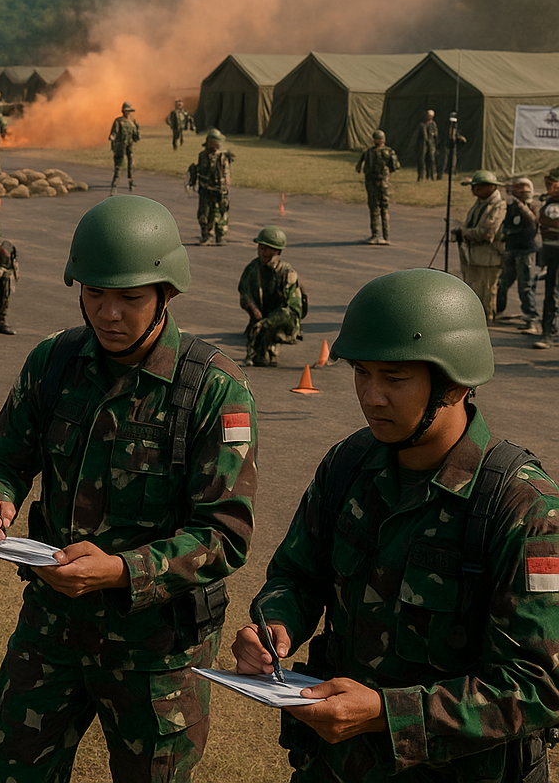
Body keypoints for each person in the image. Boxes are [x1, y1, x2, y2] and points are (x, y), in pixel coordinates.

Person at [0, 195, 258, 782]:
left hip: (158, 653)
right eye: (95, 293)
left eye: (129, 298)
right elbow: (4, 455)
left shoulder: (214, 391)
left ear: (166, 294)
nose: (109, 313)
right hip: (52, 631)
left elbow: (223, 536)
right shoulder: (54, 361)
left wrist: (122, 571)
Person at [231, 267, 559, 782]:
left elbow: (539, 685)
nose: (371, 395)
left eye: (394, 378)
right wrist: (278, 624)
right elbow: (298, 574)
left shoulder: (522, 507)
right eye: (362, 372)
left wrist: (387, 713)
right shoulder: (348, 466)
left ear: (453, 383)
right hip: (337, 768)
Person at [237, 225, 306, 367]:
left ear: (277, 251)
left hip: (281, 317)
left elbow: (292, 309)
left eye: (267, 248)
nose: (262, 251)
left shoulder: (287, 273)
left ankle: (273, 342)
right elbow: (244, 292)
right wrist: (253, 309)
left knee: (268, 330)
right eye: (261, 247)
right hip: (261, 314)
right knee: (259, 360)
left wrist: (265, 323)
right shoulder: (252, 268)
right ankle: (264, 347)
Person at [455, 169, 506, 320]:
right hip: (473, 256)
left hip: (489, 257)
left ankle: (486, 320)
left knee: (487, 292)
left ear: (490, 187)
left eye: (478, 186)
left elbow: (487, 232)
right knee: (472, 290)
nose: (473, 190)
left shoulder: (499, 206)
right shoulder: (479, 204)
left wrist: (465, 233)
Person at [495, 175, 540, 333]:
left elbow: (532, 220)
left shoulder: (531, 206)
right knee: (502, 283)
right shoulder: (510, 206)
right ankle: (497, 311)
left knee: (525, 287)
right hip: (511, 249)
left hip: (526, 251)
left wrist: (520, 204)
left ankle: (531, 320)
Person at [187, 127, 235, 245]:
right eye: (212, 142)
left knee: (220, 212)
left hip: (219, 190)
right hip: (205, 189)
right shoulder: (202, 155)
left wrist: (224, 188)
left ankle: (220, 236)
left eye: (216, 142)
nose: (214, 145)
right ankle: (206, 235)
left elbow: (226, 174)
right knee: (204, 213)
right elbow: (200, 170)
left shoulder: (222, 157)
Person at [355, 129, 400, 244]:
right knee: (384, 209)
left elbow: (359, 167)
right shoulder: (389, 152)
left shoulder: (368, 152)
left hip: (372, 184)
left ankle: (375, 235)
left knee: (374, 209)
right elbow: (395, 167)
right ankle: (386, 236)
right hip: (384, 184)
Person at [533, 166, 559, 351]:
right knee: (551, 293)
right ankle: (548, 333)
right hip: (552, 254)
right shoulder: (549, 203)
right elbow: (543, 220)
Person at [108, 101, 140, 194]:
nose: (127, 112)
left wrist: (137, 136)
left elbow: (136, 133)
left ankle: (131, 182)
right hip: (120, 146)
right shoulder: (118, 121)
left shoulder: (132, 121)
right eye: (126, 111)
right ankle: (114, 186)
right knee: (118, 166)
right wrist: (112, 138)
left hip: (129, 145)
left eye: (129, 111)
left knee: (131, 164)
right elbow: (114, 132)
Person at [416, 109, 438, 182]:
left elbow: (436, 134)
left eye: (430, 116)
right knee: (421, 160)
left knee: (431, 159)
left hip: (431, 144)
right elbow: (418, 135)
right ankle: (421, 176)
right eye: (428, 115)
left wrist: (433, 135)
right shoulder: (422, 124)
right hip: (423, 144)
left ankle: (432, 175)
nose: (429, 117)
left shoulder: (433, 124)